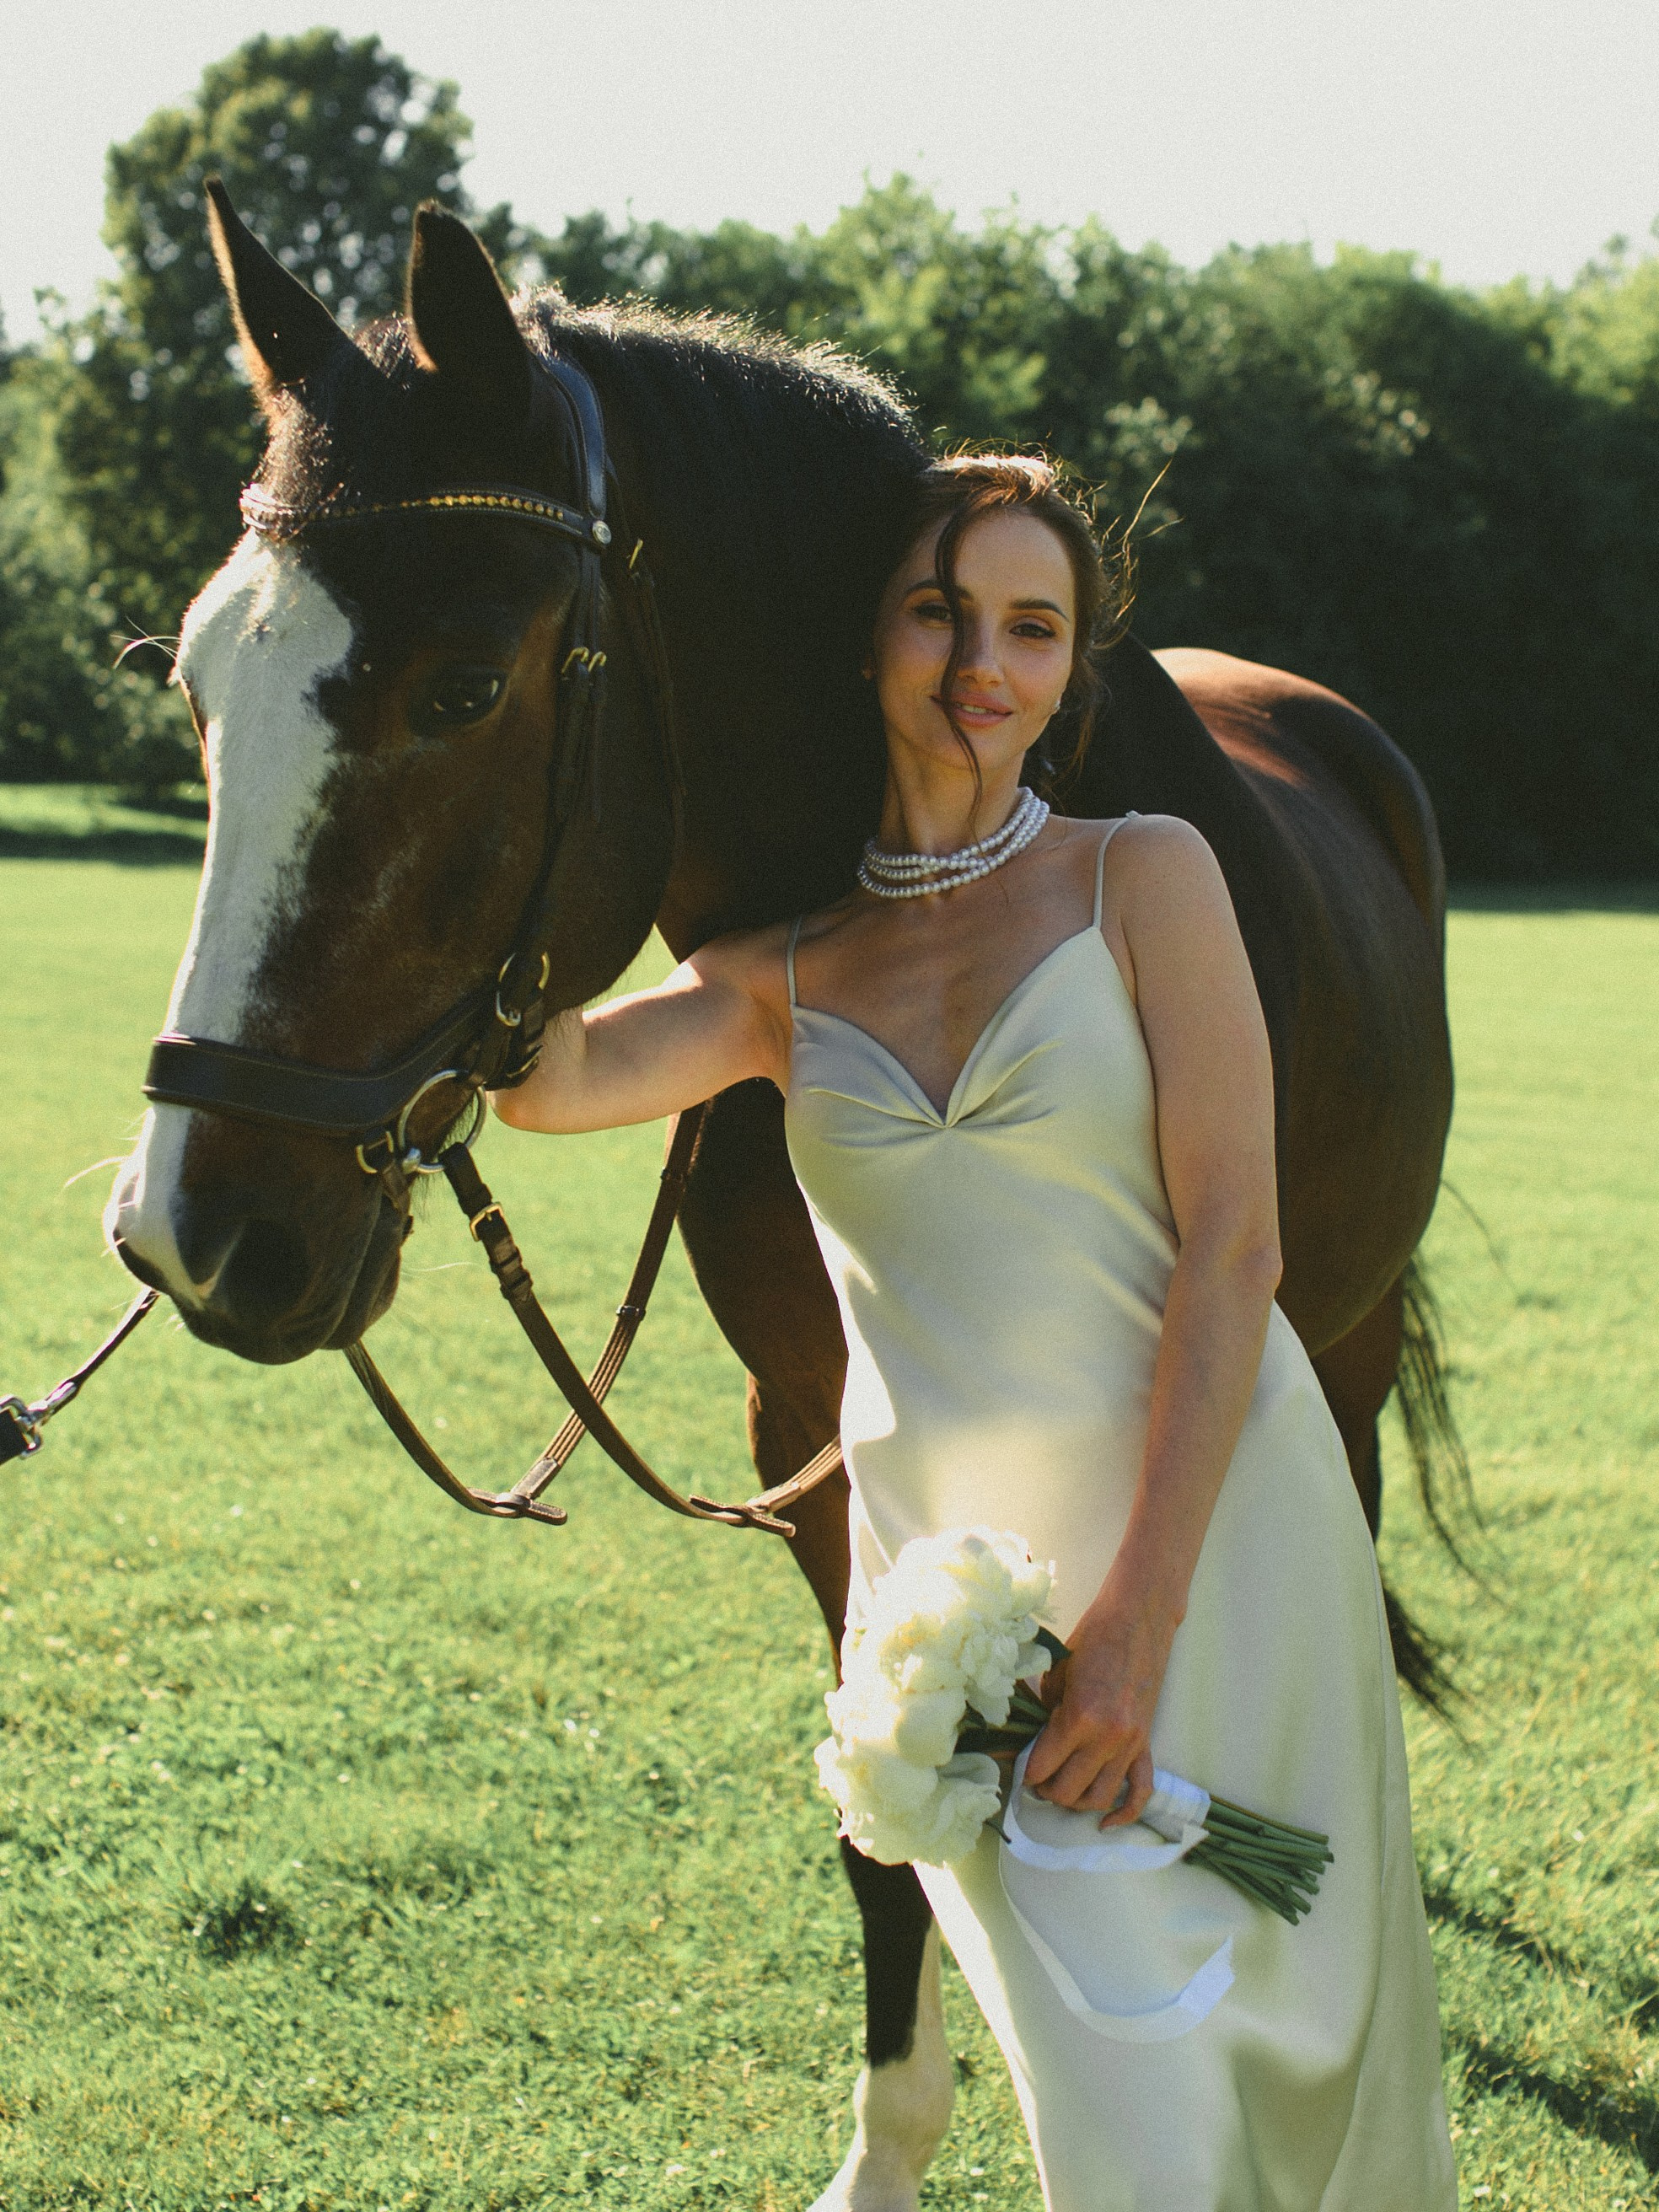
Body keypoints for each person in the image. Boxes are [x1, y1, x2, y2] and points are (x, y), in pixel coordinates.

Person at [491, 455, 1458, 2209]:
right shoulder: (783, 972)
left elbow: (1238, 1247)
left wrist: (1135, 1633)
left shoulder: (1143, 877)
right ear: (865, 644)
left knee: (1276, 2070)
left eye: (1032, 624)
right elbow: (549, 1078)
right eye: (939, 609)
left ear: (1072, 671)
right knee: (1125, 2120)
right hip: (967, 1626)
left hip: (1209, 1561)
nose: (979, 662)